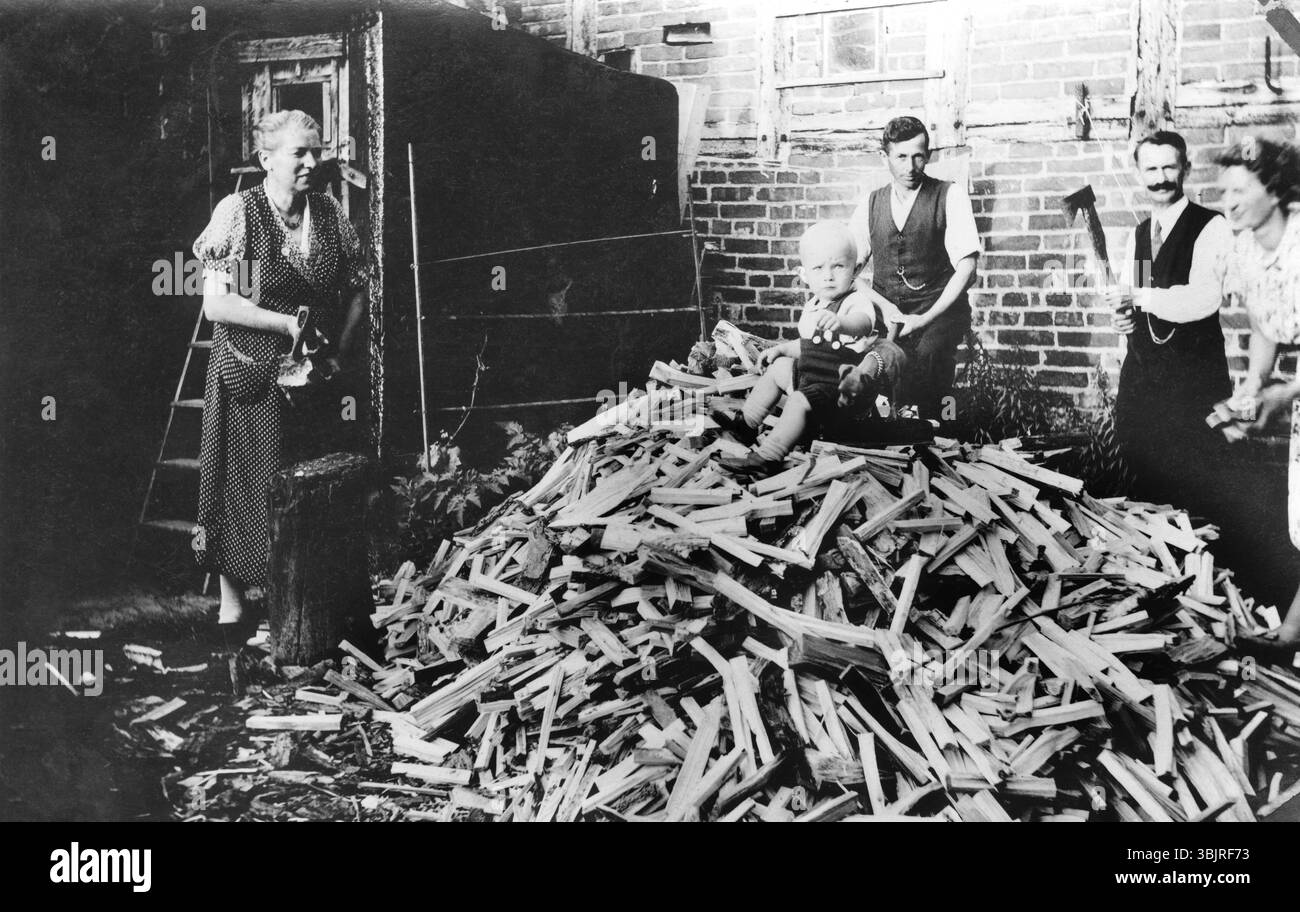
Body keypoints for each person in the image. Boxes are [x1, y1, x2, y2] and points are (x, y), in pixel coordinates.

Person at [192, 110, 368, 647]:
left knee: (300, 488)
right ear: (267, 160)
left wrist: (338, 351)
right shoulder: (239, 216)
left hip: (309, 377)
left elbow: (359, 285)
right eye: (299, 153)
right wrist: (285, 323)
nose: (312, 163)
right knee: (242, 483)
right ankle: (232, 609)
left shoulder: (330, 214)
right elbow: (219, 304)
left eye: (317, 152)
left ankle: (293, 610)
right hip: (248, 371)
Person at [1105, 130, 1233, 517]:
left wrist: (1138, 298)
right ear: (1139, 173)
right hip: (1143, 380)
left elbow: (1202, 299)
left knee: (1194, 486)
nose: (1160, 178)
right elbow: (1138, 289)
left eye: (1169, 167)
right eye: (1151, 169)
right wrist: (1124, 317)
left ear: (1186, 169)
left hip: (1191, 382)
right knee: (1145, 483)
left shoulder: (1211, 226)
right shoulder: (1140, 234)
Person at [715, 221, 897, 464]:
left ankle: (769, 456)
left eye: (839, 266)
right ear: (804, 275)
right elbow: (807, 345)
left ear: (856, 269)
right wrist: (781, 349)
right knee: (779, 368)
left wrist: (841, 322)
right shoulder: (813, 306)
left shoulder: (855, 302)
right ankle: (746, 423)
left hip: (837, 388)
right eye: (819, 268)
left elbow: (862, 323)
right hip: (812, 377)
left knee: (799, 400)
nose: (828, 276)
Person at [1215, 136, 1300, 651]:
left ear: (1276, 189)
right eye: (1224, 191)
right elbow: (1264, 327)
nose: (1228, 202)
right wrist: (1251, 388)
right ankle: (1292, 635)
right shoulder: (1247, 247)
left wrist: (1284, 394)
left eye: (1240, 190)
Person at [848, 115, 980, 421]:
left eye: (919, 156)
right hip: (888, 316)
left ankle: (941, 432)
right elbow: (848, 270)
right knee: (878, 369)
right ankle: (891, 439)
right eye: (901, 157)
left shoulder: (950, 195)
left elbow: (967, 269)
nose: (910, 167)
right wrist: (881, 306)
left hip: (939, 313)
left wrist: (924, 318)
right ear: (885, 157)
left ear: (928, 156)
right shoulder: (871, 204)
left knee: (930, 362)